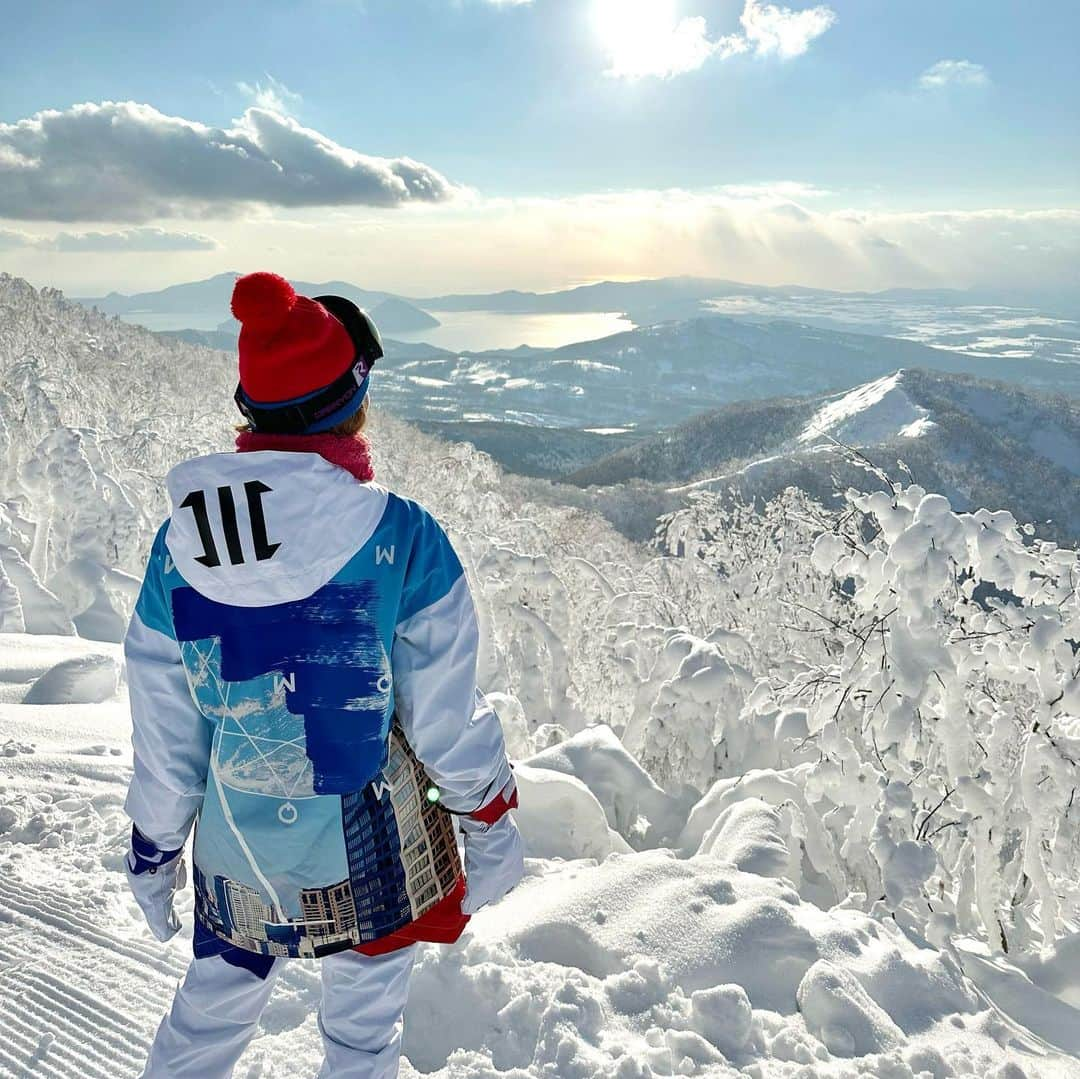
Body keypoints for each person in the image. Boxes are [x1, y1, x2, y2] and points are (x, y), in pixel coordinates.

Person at [122, 271, 525, 1078]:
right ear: (352, 400)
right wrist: (489, 817)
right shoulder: (402, 538)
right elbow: (443, 720)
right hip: (369, 853)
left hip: (237, 853)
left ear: (251, 410)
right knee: (362, 1040)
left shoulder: (179, 552)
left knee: (205, 1024)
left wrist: (155, 847)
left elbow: (169, 733)